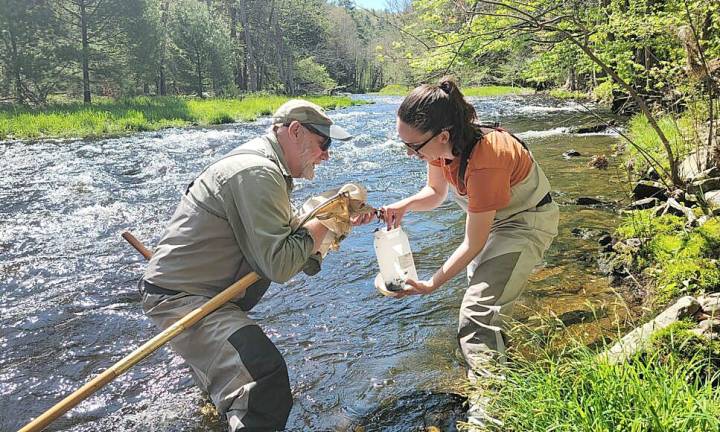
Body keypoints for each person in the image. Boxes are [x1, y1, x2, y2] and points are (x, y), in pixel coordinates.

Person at [140, 99, 353, 431]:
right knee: (263, 378)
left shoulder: (266, 168)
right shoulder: (258, 172)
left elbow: (292, 253)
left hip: (208, 297)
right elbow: (279, 265)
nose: (327, 154)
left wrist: (335, 222)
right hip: (185, 301)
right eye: (323, 143)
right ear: (295, 131)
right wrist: (327, 221)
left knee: (234, 395)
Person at [380, 77, 559, 381]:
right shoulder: (440, 148)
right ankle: (504, 366)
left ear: (442, 135)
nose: (410, 153)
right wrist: (405, 205)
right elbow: (435, 193)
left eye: (413, 146)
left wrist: (431, 284)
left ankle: (491, 409)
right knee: (484, 302)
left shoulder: (487, 161)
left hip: (525, 222)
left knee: (476, 313)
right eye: (404, 144)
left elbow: (472, 243)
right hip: (492, 223)